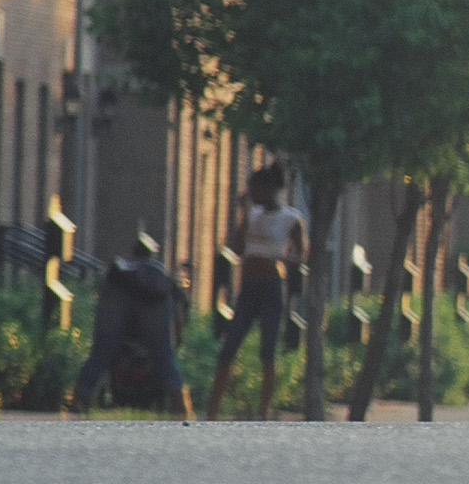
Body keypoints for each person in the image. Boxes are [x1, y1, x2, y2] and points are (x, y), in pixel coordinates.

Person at [209, 163, 307, 419]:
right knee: (229, 346)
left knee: (268, 350)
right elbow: (238, 248)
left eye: (255, 189)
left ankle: (264, 411)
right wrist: (244, 214)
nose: (251, 193)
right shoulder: (253, 215)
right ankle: (212, 411)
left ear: (269, 189)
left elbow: (301, 254)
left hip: (271, 287)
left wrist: (283, 260)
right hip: (248, 287)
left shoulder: (291, 218)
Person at [70, 233, 193, 417]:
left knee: (102, 351)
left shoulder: (120, 274)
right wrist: (178, 336)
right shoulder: (157, 275)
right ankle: (181, 406)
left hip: (116, 295)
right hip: (154, 299)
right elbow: (176, 320)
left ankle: (79, 400)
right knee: (163, 354)